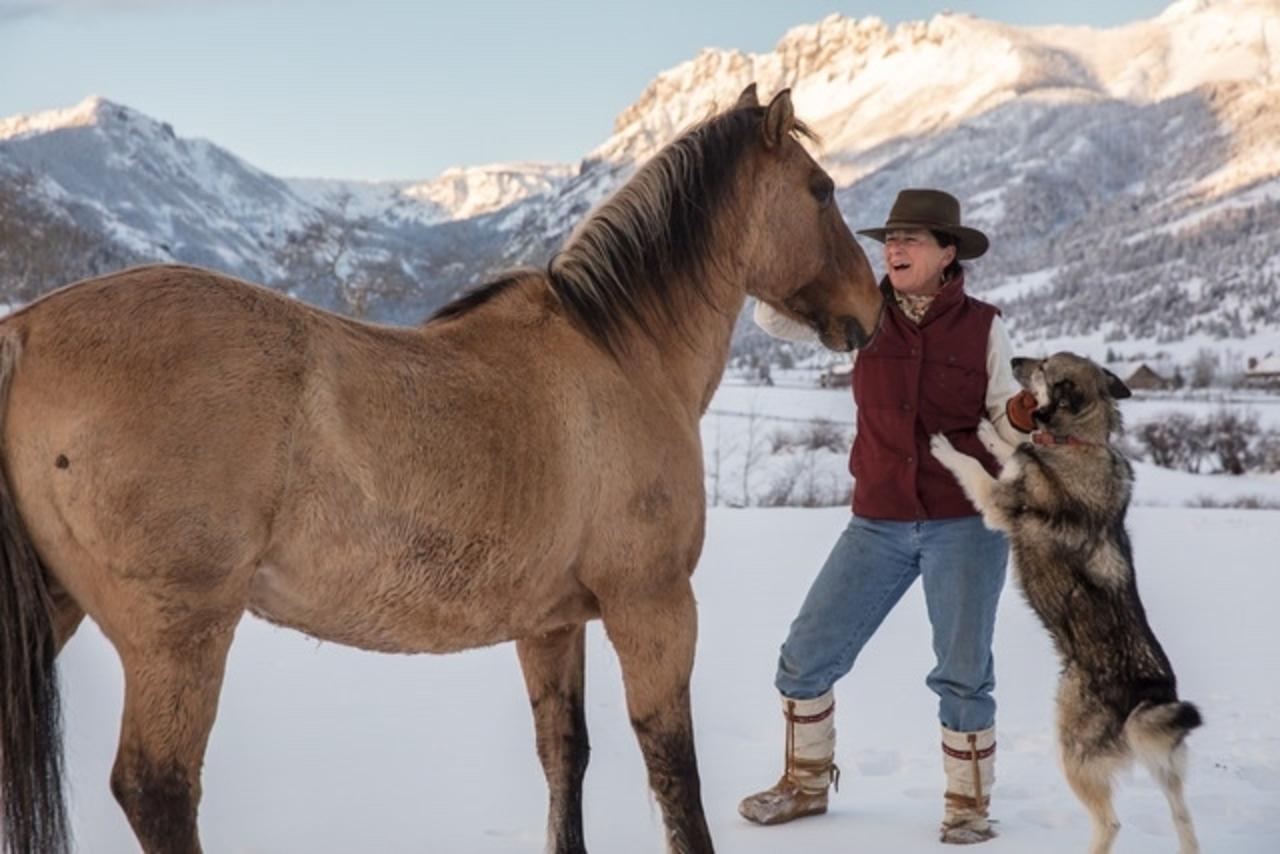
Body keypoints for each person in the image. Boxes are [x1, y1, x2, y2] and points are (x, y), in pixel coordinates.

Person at [738, 188, 1036, 843]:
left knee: (963, 674)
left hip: (966, 522)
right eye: (890, 239)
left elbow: (1001, 418)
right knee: (804, 657)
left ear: (947, 253)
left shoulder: (985, 325)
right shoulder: (863, 311)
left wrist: (1021, 419)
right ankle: (806, 784)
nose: (894, 249)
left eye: (912, 239)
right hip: (876, 522)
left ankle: (967, 806)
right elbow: (772, 321)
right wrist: (771, 266)